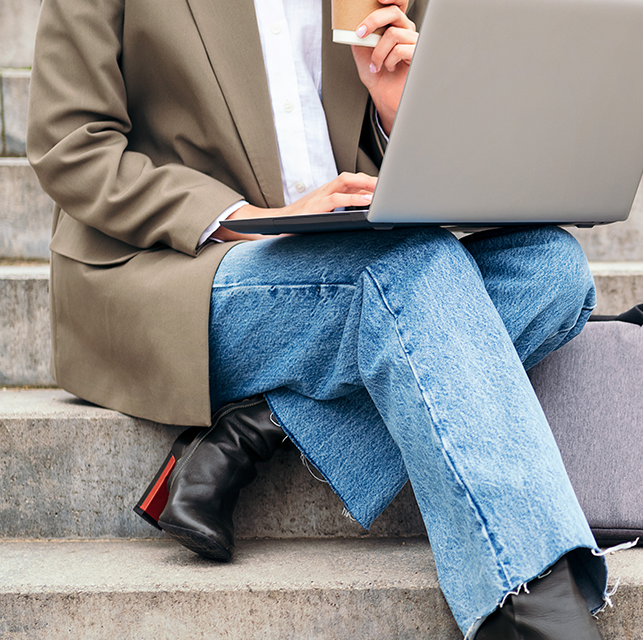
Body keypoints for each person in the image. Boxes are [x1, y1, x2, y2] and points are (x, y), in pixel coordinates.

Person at [26, 0, 611, 637]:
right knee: (413, 270)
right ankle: (529, 602)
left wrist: (397, 113)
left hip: (354, 252)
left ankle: (263, 423)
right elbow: (70, 145)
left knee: (550, 269)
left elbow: (400, 170)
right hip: (181, 268)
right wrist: (251, 219)